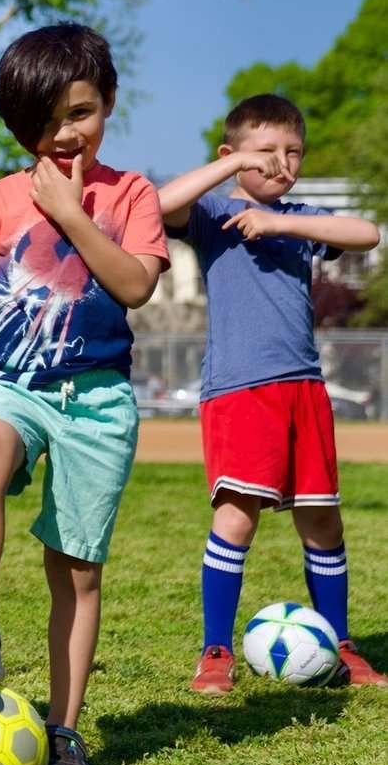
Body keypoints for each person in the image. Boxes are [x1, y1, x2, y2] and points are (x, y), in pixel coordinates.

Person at [0, 23, 169, 765]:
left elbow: (134, 285)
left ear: (109, 105)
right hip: (10, 383)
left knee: (76, 573)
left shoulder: (129, 194)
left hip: (97, 401)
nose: (66, 134)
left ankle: (63, 733)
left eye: (82, 112)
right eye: (47, 120)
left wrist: (69, 212)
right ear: (18, 124)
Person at [156, 94, 385, 692]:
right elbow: (157, 205)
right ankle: (215, 650)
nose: (283, 163)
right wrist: (234, 169)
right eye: (266, 152)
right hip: (238, 390)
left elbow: (366, 232)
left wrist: (281, 220)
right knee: (237, 519)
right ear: (230, 156)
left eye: (294, 152)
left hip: (304, 389)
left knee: (323, 523)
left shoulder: (301, 217)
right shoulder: (211, 214)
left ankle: (340, 645)